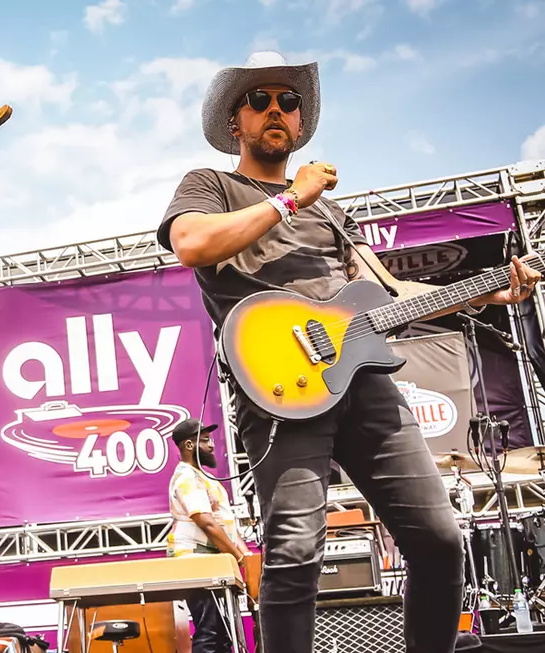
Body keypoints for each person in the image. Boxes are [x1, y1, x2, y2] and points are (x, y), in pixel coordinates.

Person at [157, 51, 542, 653]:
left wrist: (493, 288)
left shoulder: (333, 214)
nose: (276, 109)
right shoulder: (211, 185)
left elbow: (391, 294)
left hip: (363, 381)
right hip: (282, 383)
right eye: (259, 101)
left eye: (288, 100)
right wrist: (290, 200)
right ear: (237, 122)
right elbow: (191, 244)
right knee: (295, 549)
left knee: (440, 540)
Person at [167, 419, 253, 653]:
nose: (211, 445)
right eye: (204, 440)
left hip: (210, 564)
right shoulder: (187, 477)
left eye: (210, 439)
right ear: (188, 445)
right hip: (194, 562)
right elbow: (205, 522)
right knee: (210, 629)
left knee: (223, 633)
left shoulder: (202, 477)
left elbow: (225, 526)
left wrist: (247, 558)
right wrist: (238, 556)